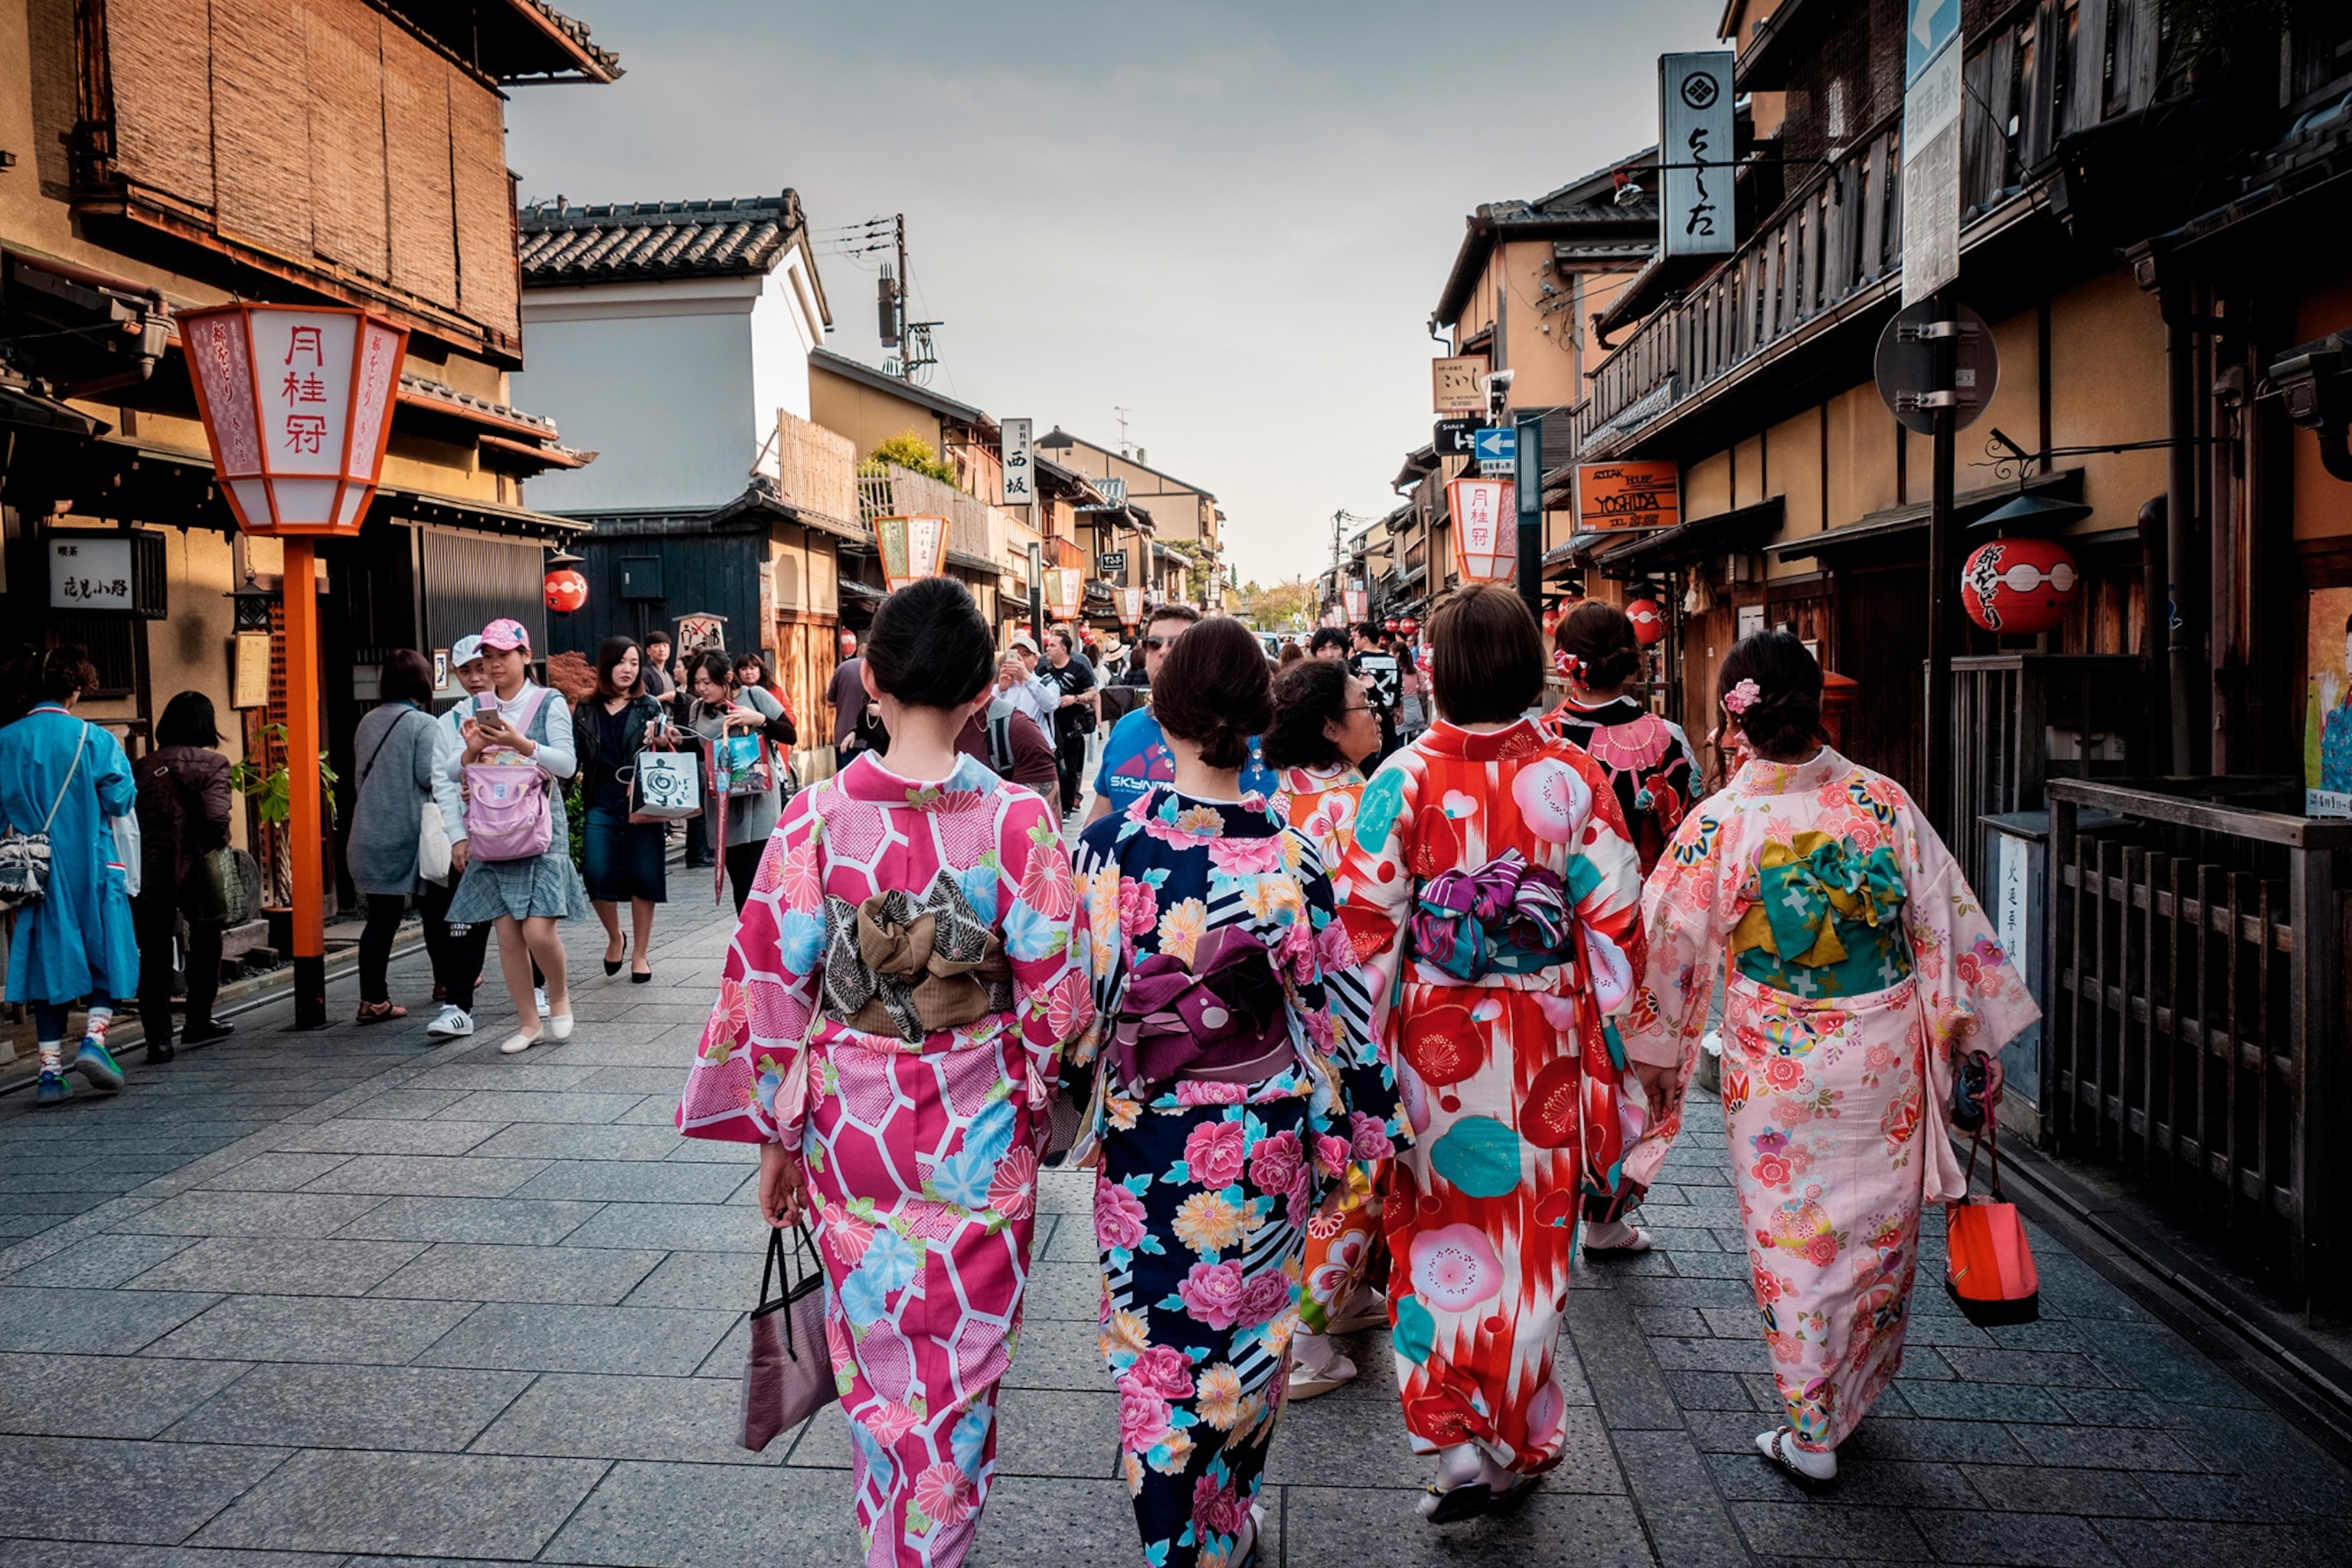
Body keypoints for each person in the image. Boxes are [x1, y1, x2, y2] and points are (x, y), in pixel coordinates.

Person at [678, 575, 1087, 1568]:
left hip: (853, 1136)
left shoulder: (815, 823)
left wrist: (780, 1135)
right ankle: (929, 1549)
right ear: (985, 691)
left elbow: (772, 989)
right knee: (959, 1377)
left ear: (869, 677)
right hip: (979, 1138)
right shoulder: (1017, 828)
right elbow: (1060, 1009)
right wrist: (1040, 1112)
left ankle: (893, 1543)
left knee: (877, 1374)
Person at [1621, 631, 2039, 1484]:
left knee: (1794, 1237)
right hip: (1881, 1050)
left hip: (1776, 1056)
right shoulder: (1882, 802)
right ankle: (1844, 1396)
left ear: (1733, 719)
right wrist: (1960, 1036)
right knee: (1875, 1231)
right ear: (1817, 705)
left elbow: (1665, 944)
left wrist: (1653, 1053)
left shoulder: (1724, 822)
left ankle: (1812, 1421)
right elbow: (1941, 922)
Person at [1065, 615, 1393, 1568]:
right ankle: (1221, 1517)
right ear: (1257, 716)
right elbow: (1339, 1012)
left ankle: (1173, 1534)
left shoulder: (1110, 849)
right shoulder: (1292, 857)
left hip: (1147, 1138)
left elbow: (1074, 1014)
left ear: (1158, 714)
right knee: (1252, 1339)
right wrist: (1361, 1130)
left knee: (1154, 1343)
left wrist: (1061, 1092)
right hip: (1263, 1138)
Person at [1335, 584, 1645, 1521]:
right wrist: (1616, 1046)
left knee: (1431, 1233)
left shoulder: (1402, 775)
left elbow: (1360, 932)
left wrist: (1359, 1056)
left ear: (1435, 666)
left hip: (1436, 1040)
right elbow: (1618, 921)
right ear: (1528, 667)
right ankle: (1507, 1434)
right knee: (1531, 1241)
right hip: (1543, 1037)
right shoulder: (1570, 775)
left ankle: (1455, 1434)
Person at [1258, 655, 1390, 1400]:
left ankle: (1346, 1298)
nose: (1375, 713)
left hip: (1286, 1010)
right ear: (1331, 727)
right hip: (1356, 1004)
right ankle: (1307, 1336)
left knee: (1327, 1162)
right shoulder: (1359, 802)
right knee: (1359, 1166)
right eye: (1362, 705)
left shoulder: (1271, 798)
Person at [1, 646, 139, 1105]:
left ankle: (48, 1073)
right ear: (75, 688)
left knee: (45, 964)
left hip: (34, 871)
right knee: (105, 950)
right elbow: (120, 800)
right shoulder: (94, 740)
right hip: (91, 864)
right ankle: (95, 1040)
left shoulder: (6, 740)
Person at [445, 618, 583, 1056]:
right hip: (492, 825)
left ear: (526, 655)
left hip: (537, 825)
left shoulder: (548, 701)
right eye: (488, 656)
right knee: (507, 933)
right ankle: (528, 1022)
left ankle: (557, 998)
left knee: (539, 930)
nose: (494, 664)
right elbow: (452, 771)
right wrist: (471, 749)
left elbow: (566, 764)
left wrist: (520, 743)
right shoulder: (478, 704)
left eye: (503, 655)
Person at [1544, 601, 1700, 877]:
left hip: (1554, 908)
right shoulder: (1666, 738)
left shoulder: (1541, 739)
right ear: (1629, 662)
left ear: (1564, 662)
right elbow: (1692, 837)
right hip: (1643, 903)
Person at [1083, 605, 1276, 826]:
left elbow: (1259, 825)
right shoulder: (1126, 728)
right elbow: (1099, 815)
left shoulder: (1238, 735)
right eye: (1153, 643)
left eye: (1177, 643)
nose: (1164, 651)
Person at [131, 690, 234, 1061]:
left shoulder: (143, 765)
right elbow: (216, 817)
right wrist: (220, 842)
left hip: (148, 868)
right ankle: (198, 1021)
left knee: (153, 952)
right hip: (197, 868)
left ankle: (158, 1040)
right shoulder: (214, 763)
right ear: (206, 725)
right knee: (207, 941)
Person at [348, 650, 443, 1024]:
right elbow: (429, 777)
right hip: (409, 834)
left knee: (381, 919)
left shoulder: (367, 722)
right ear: (421, 682)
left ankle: (373, 999)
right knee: (435, 911)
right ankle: (447, 984)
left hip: (368, 830)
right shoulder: (423, 724)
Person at [575, 636, 668, 984]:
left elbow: (665, 753)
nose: (628, 669)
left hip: (641, 802)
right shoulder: (585, 707)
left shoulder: (649, 707)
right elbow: (573, 759)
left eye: (634, 662)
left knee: (643, 877)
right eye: (621, 662)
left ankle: (640, 954)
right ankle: (616, 936)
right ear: (606, 665)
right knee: (597, 875)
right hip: (600, 798)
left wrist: (659, 740)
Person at [423, 635, 498, 1039]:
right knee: (463, 923)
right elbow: (442, 783)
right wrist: (457, 837)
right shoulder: (447, 723)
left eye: (480, 667)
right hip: (472, 836)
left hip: (517, 832)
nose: (474, 678)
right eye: (465, 671)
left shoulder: (520, 711)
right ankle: (457, 1005)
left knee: (527, 922)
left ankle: (541, 991)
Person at [684, 651, 789, 913]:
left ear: (728, 678)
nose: (702, 689)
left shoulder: (754, 696)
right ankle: (749, 944)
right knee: (740, 884)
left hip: (759, 804)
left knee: (762, 881)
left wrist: (760, 720)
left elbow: (790, 733)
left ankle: (770, 941)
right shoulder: (698, 709)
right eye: (697, 683)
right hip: (723, 805)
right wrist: (672, 738)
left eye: (708, 682)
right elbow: (699, 751)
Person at [958, 660, 1061, 812]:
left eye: (1025, 655)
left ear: (1035, 658)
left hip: (1023, 747)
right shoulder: (1001, 687)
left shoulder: (1044, 683)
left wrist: (1026, 677)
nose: (1017, 661)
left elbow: (1050, 704)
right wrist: (1001, 689)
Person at [1042, 626, 1098, 818]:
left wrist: (1075, 698)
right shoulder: (1043, 669)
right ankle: (1053, 803)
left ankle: (1067, 805)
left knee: (1071, 766)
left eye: (1052, 645)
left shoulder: (1078, 668)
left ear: (1063, 649)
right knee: (1053, 765)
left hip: (1073, 725)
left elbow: (1093, 693)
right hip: (1049, 727)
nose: (1048, 649)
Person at [1349, 622, 1403, 763]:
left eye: (1356, 638)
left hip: (1368, 715)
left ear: (1365, 639)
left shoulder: (1357, 661)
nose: (1354, 641)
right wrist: (1398, 710)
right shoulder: (1392, 661)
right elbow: (1398, 688)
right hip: (1389, 714)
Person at [734, 652, 801, 747]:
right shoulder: (736, 695)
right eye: (743, 669)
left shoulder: (775, 690)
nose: (748, 672)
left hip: (775, 742)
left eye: (752, 668)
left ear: (760, 670)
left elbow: (790, 718)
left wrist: (768, 720)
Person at [830, 633, 873, 765]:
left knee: (845, 782)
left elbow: (829, 702)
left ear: (858, 652)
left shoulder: (843, 668)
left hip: (844, 732)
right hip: (871, 735)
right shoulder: (878, 670)